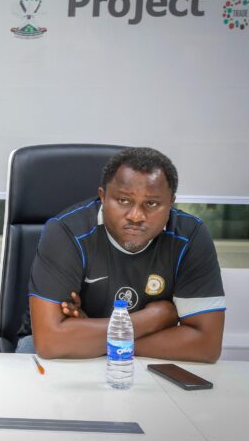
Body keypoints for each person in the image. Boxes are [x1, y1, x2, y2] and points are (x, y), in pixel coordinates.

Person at [22, 147, 225, 362]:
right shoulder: (67, 231)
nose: (136, 216)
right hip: (57, 359)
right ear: (103, 197)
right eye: (124, 200)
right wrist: (152, 319)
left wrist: (93, 339)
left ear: (170, 204)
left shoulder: (189, 236)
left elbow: (207, 345)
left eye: (152, 203)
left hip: (117, 355)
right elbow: (50, 342)